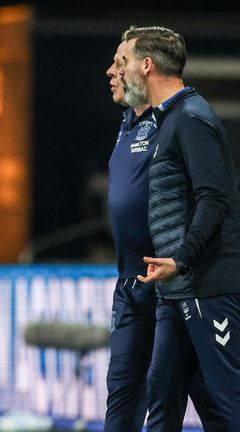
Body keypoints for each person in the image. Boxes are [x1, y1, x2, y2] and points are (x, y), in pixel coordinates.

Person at [125, 26, 240, 430]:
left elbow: (215, 198)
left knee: (228, 402)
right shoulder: (168, 120)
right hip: (177, 289)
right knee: (162, 392)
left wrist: (182, 258)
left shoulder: (192, 117)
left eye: (125, 63)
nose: (120, 72)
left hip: (209, 286)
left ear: (147, 65)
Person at [102, 40, 158, 432]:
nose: (111, 71)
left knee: (201, 394)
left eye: (120, 62)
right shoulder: (128, 124)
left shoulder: (177, 121)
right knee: (120, 395)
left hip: (168, 285)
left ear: (145, 67)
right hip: (129, 286)